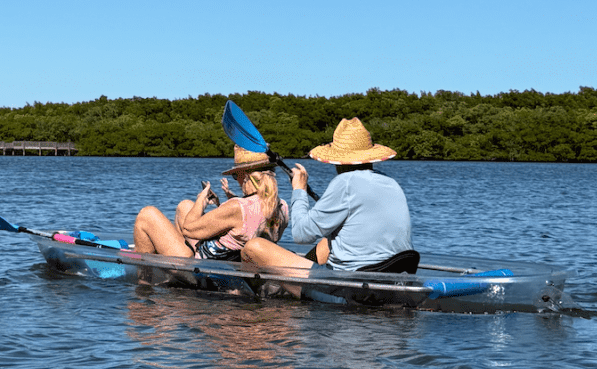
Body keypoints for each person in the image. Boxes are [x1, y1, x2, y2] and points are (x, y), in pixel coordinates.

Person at [241, 117, 416, 277]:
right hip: (394, 272)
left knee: (254, 247)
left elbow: (301, 234)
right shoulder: (392, 183)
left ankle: (260, 297)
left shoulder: (345, 182)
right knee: (325, 243)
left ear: (338, 159)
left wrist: (299, 190)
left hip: (349, 285)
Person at [133, 146, 289, 261]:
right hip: (230, 260)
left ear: (247, 176)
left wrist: (202, 199)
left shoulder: (237, 206)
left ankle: (145, 277)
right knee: (185, 205)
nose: (237, 181)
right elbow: (249, 222)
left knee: (147, 214)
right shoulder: (282, 206)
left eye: (236, 176)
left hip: (204, 270)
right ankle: (168, 252)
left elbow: (188, 229)